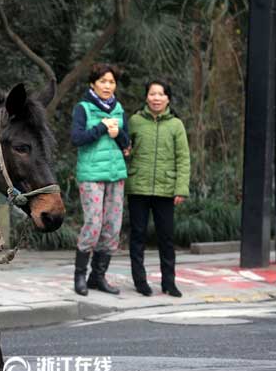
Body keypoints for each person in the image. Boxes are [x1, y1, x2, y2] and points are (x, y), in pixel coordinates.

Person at [125, 80, 190, 297]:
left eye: (161, 94)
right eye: (152, 94)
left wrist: (180, 188)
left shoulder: (176, 125)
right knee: (137, 236)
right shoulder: (134, 121)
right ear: (146, 97)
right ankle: (140, 281)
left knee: (166, 238)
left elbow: (183, 159)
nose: (156, 98)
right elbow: (126, 149)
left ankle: (169, 283)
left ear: (168, 98)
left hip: (166, 190)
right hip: (138, 188)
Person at [70, 63, 130, 296]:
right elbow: (76, 138)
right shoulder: (83, 108)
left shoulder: (119, 108)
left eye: (111, 82)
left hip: (116, 174)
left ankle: (98, 277)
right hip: (91, 174)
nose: (107, 86)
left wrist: (119, 134)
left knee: (112, 227)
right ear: (93, 83)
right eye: (103, 81)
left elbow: (126, 145)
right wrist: (102, 128)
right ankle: (80, 276)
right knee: (93, 224)